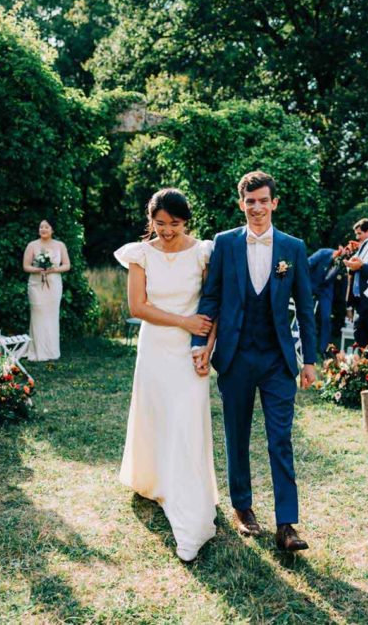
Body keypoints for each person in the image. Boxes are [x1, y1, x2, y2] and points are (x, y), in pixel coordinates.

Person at [192, 171, 317, 552]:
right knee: (237, 434)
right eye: (251, 201)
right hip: (236, 355)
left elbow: (306, 309)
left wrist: (308, 359)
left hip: (279, 359)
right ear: (241, 203)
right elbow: (210, 298)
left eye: (264, 200)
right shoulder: (224, 244)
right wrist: (201, 344)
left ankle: (287, 524)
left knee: (280, 438)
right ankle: (242, 508)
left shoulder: (293, 247)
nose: (257, 207)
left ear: (275, 203)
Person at [114, 189, 218, 562]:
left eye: (175, 224)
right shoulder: (140, 255)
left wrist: (207, 345)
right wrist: (182, 320)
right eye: (160, 224)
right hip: (156, 349)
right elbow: (138, 306)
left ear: (186, 221)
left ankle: (190, 502)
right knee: (158, 417)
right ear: (150, 220)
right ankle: (155, 480)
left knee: (187, 420)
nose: (168, 231)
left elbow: (212, 302)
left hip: (190, 351)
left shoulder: (204, 252)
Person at [23, 220, 71, 361]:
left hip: (54, 284)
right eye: (41, 227)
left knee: (51, 316)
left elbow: (67, 265)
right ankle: (37, 351)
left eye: (46, 227)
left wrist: (54, 269)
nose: (43, 229)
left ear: (52, 229)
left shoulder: (60, 245)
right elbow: (26, 266)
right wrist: (39, 269)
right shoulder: (32, 245)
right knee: (38, 315)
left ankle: (51, 351)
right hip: (36, 284)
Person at [344, 218, 368, 348]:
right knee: (359, 335)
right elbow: (352, 268)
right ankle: (365, 365)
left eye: (359, 234)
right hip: (359, 301)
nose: (357, 237)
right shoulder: (366, 243)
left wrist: (360, 266)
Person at [307, 247, 336, 356]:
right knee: (305, 314)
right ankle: (299, 343)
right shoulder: (323, 253)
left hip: (325, 290)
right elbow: (306, 264)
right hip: (311, 285)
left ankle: (324, 349)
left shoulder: (344, 263)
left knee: (326, 317)